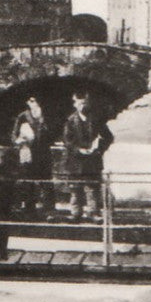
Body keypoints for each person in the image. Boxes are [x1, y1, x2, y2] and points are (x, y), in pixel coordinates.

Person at [62, 91, 114, 222]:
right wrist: (78, 150)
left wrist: (98, 150)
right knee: (75, 189)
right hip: (76, 161)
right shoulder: (70, 121)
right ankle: (76, 213)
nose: (82, 106)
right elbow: (67, 140)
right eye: (79, 103)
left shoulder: (96, 120)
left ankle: (93, 213)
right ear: (75, 104)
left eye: (84, 103)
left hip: (92, 160)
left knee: (92, 188)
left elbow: (108, 137)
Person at [11, 95, 55, 218]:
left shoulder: (46, 116)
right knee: (28, 181)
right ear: (28, 102)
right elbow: (14, 135)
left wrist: (42, 122)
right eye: (31, 101)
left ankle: (49, 211)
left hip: (43, 153)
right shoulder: (23, 116)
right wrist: (19, 140)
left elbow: (52, 133)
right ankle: (29, 210)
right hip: (28, 152)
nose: (34, 104)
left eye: (36, 101)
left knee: (46, 181)